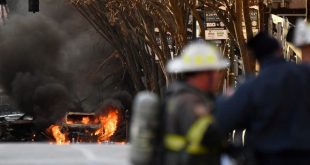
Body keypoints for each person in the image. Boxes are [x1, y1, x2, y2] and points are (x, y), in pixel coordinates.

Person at [215, 31, 310, 165]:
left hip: (268, 157)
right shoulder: (305, 74)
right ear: (280, 50)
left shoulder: (251, 87)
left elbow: (223, 119)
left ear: (256, 57)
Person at [163, 40, 229, 165]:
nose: (219, 76)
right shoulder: (189, 102)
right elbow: (208, 135)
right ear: (204, 74)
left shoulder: (181, 96)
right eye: (216, 71)